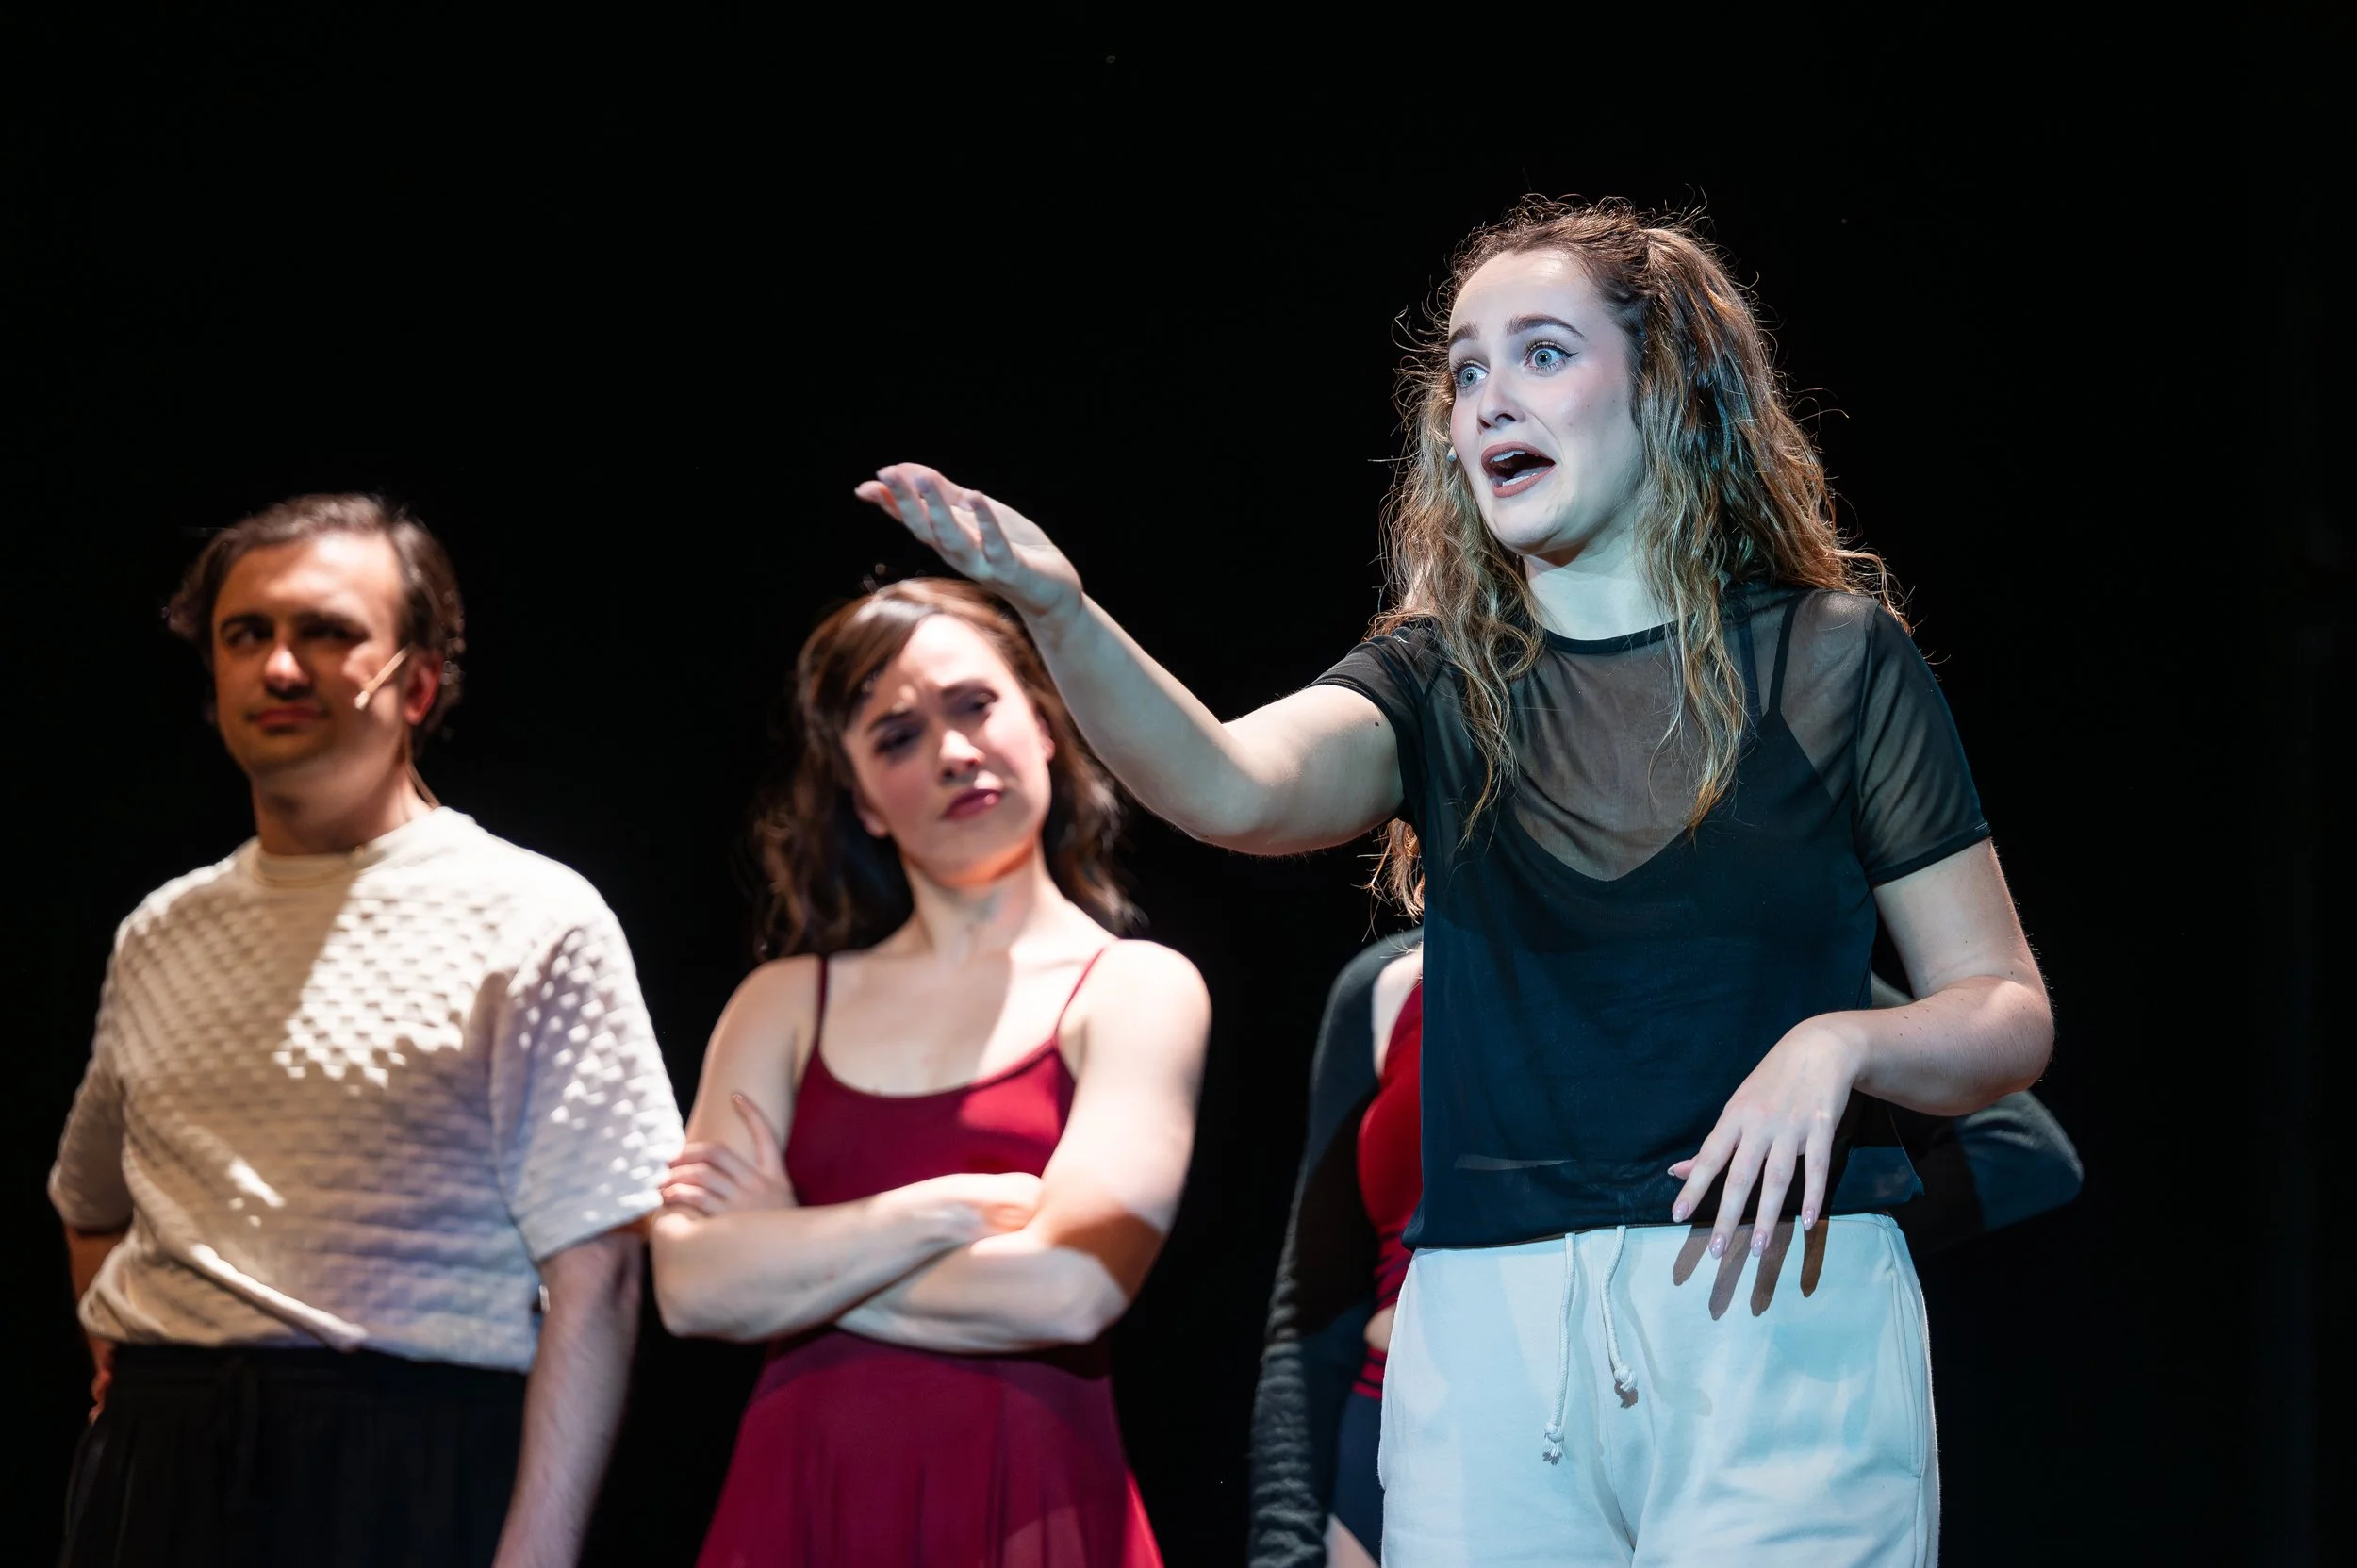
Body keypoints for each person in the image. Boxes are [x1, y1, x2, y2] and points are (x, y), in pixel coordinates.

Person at [859, 196, 2054, 1565]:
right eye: (1467, 368)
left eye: (1542, 352)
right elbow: (1230, 788)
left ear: (1665, 388)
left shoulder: (1831, 661)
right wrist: (1061, 614)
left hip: (1777, 1305)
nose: (1490, 397)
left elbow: (2004, 1011)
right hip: (1488, 1338)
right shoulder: (1437, 681)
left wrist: (1843, 1042)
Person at [48, 494, 684, 1567]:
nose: (278, 667)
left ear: (417, 682)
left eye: (326, 631)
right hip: (166, 1467)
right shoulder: (160, 931)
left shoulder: (534, 916)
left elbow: (602, 1276)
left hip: (410, 1461)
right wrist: (137, 1386)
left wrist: (536, 1550)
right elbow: (89, 1203)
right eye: (245, 634)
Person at [649, 578, 1207, 1568]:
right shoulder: (783, 1004)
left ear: (1043, 724)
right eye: (897, 736)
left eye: (974, 705)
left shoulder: (1135, 988)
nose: (952, 752)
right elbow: (692, 1289)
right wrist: (947, 1209)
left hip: (1029, 1500)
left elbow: (1068, 1290)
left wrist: (787, 1251)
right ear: (862, 798)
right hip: (803, 1502)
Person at [1248, 933, 2085, 1566]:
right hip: (1412, 1439)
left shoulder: (1727, 953)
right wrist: (1284, 1543)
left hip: (1696, 1423)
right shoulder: (1392, 984)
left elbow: (2020, 1143)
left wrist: (1780, 1237)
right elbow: (1309, 1310)